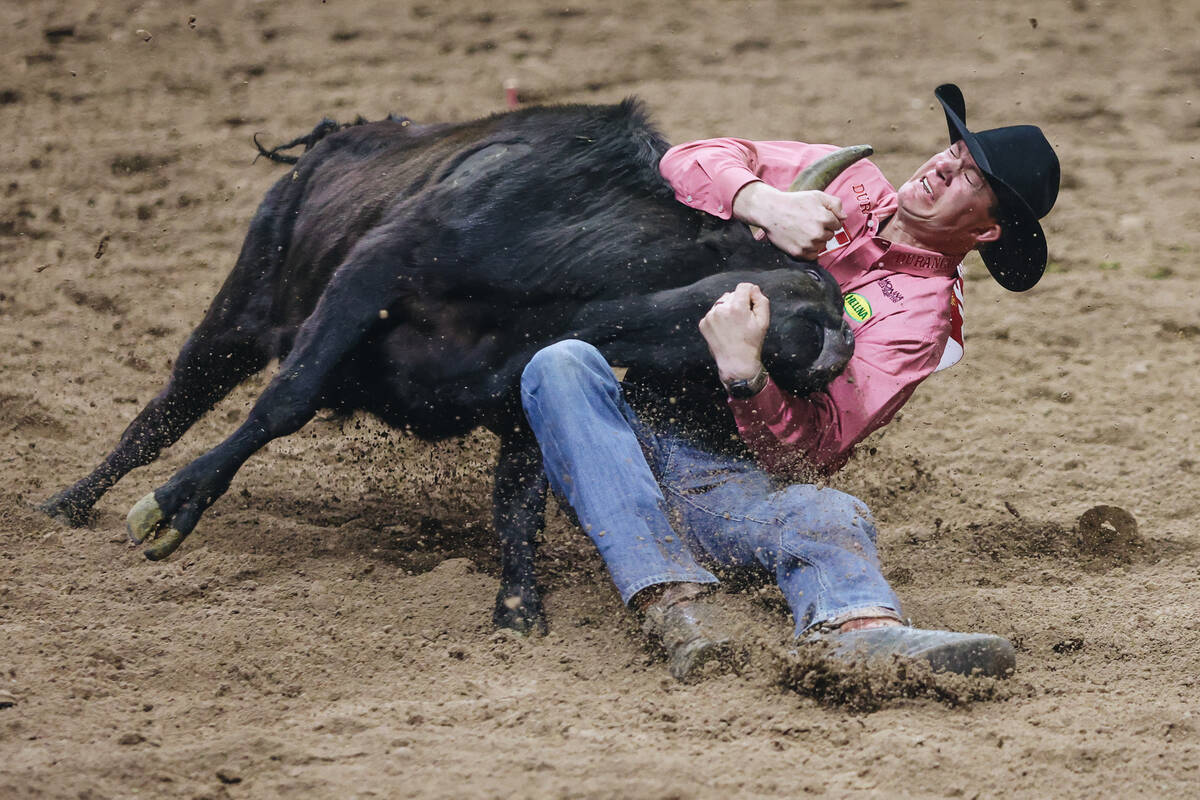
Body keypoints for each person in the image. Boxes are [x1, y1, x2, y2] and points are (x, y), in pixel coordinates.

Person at [519, 84, 1060, 680]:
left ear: (987, 232)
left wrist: (746, 375)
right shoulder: (847, 180)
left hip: (719, 480)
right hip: (620, 433)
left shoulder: (918, 318)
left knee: (830, 513)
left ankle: (856, 631)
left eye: (970, 180)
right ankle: (673, 603)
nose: (942, 167)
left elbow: (815, 447)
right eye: (954, 151)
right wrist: (762, 202)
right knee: (560, 364)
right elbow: (689, 158)